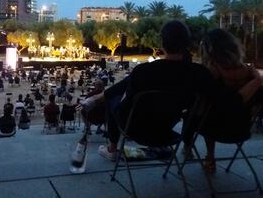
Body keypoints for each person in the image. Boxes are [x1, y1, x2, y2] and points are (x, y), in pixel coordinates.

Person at [90, 20, 217, 161]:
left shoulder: (143, 71)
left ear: (162, 43)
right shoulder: (199, 73)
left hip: (135, 130)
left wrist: (99, 99)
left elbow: (125, 106)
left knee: (114, 98)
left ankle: (112, 149)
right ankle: (184, 148)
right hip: (167, 130)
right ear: (187, 43)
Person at [199, 29, 263, 173]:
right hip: (241, 129)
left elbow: (216, 101)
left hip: (215, 129)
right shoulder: (249, 72)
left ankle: (209, 157)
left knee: (203, 113)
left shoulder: (213, 71)